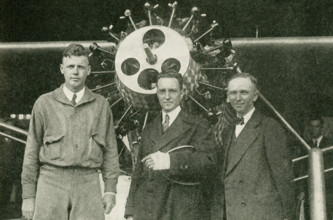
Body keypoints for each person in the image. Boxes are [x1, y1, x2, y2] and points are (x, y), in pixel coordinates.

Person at [21, 43, 120, 220]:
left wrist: (110, 189)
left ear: (88, 70)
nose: (75, 72)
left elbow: (111, 151)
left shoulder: (101, 105)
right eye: (70, 67)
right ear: (62, 69)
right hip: (51, 181)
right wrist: (28, 195)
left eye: (81, 67)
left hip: (88, 182)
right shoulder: (44, 103)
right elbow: (31, 151)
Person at [124, 70, 218, 220]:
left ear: (182, 93)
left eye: (172, 91)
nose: (167, 96)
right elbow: (139, 172)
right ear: (157, 94)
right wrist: (130, 211)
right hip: (149, 209)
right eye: (162, 91)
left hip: (181, 209)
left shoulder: (198, 125)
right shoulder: (149, 128)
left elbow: (209, 163)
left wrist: (170, 161)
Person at [216, 72, 295, 220]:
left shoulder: (269, 127)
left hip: (261, 214)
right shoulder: (227, 131)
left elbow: (283, 177)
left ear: (255, 96)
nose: (238, 98)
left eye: (244, 92)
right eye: (233, 93)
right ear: (228, 96)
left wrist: (288, 216)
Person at [300, 116, 333, 219]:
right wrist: (302, 190)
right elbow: (302, 169)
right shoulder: (305, 145)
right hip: (310, 192)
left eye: (317, 126)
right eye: (312, 126)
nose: (314, 129)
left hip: (329, 191)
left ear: (322, 128)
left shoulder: (330, 144)